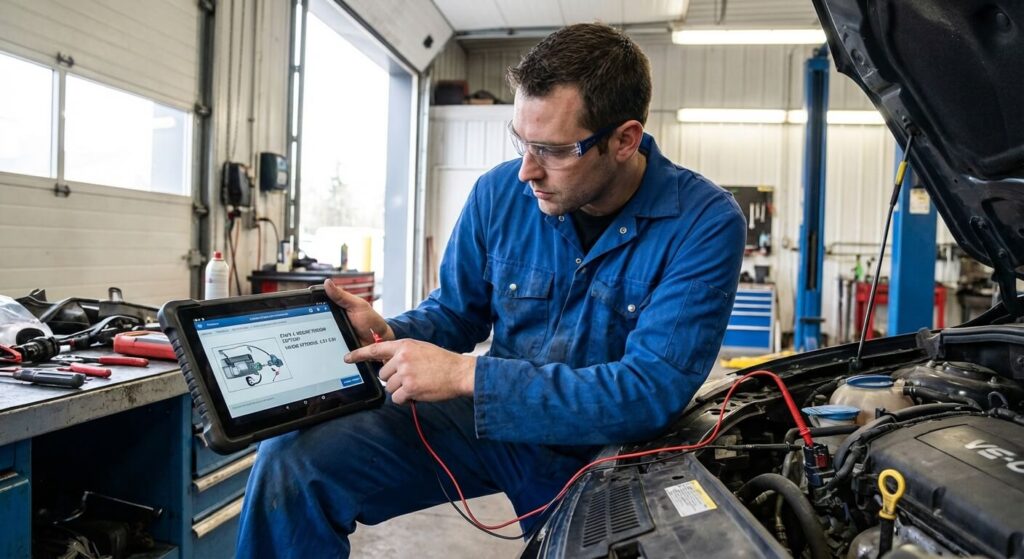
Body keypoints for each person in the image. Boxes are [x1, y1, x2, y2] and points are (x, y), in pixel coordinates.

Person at [237, 23, 745, 558]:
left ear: (624, 140)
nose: (527, 171)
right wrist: (388, 333)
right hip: (490, 424)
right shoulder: (498, 194)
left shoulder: (704, 223)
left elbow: (646, 392)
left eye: (552, 150)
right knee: (293, 458)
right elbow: (455, 314)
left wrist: (466, 375)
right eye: (521, 142)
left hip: (607, 449)